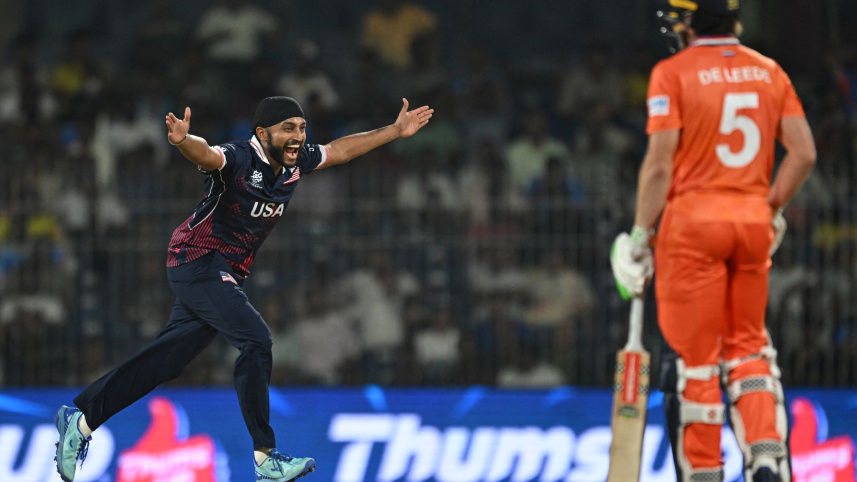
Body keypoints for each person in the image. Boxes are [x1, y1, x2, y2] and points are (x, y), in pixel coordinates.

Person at [52, 95, 433, 482]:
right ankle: (265, 458)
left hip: (223, 272)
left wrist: (394, 131)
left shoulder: (294, 163)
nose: (298, 136)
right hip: (197, 259)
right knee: (257, 340)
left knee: (167, 361)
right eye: (288, 128)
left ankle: (81, 422)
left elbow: (339, 151)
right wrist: (184, 141)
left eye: (301, 128)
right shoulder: (240, 158)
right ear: (261, 133)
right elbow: (208, 157)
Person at [609, 1, 816, 481]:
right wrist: (771, 207)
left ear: (689, 22)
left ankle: (705, 470)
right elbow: (803, 152)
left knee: (697, 359)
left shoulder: (672, 72)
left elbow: (660, 166)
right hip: (751, 221)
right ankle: (765, 455)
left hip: (691, 228)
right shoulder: (769, 71)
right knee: (748, 347)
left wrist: (639, 237)